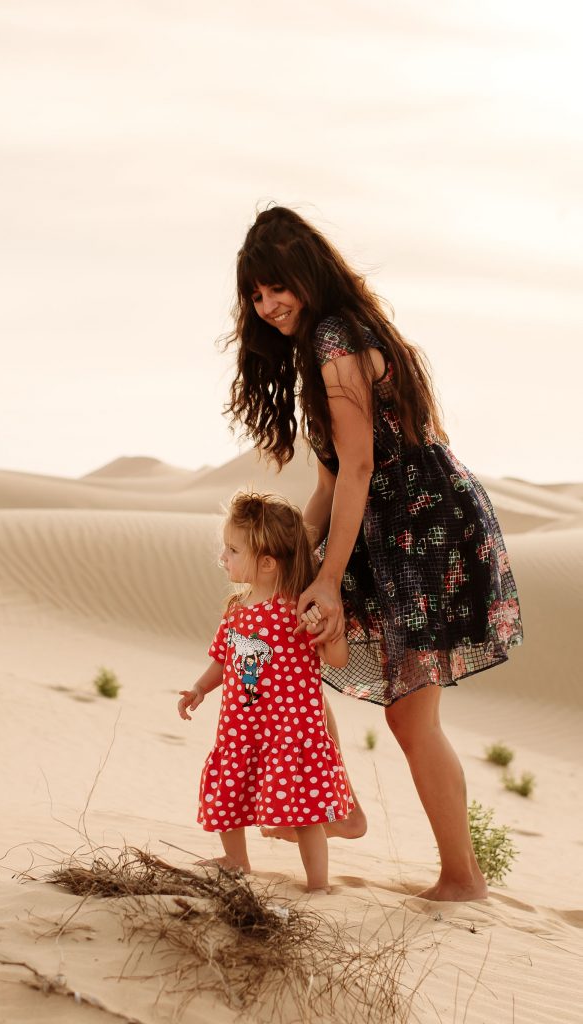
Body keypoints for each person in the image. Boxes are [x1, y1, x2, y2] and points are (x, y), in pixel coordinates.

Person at [223, 206, 524, 902]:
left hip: (419, 531)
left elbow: (360, 465)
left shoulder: (336, 338)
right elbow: (332, 477)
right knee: (303, 654)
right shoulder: (330, 341)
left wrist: (328, 580)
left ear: (307, 273)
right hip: (386, 529)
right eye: (256, 296)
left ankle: (461, 876)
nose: (268, 306)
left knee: (408, 714)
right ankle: (349, 810)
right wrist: (293, 556)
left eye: (276, 288)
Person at [178, 490, 355, 893]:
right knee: (230, 794)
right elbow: (223, 661)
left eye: (233, 549)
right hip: (243, 728)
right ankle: (236, 859)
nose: (224, 557)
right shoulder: (236, 612)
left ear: (267, 563)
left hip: (289, 733)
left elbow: (338, 658)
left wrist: (327, 625)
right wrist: (199, 688)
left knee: (306, 812)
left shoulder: (299, 609)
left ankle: (318, 883)